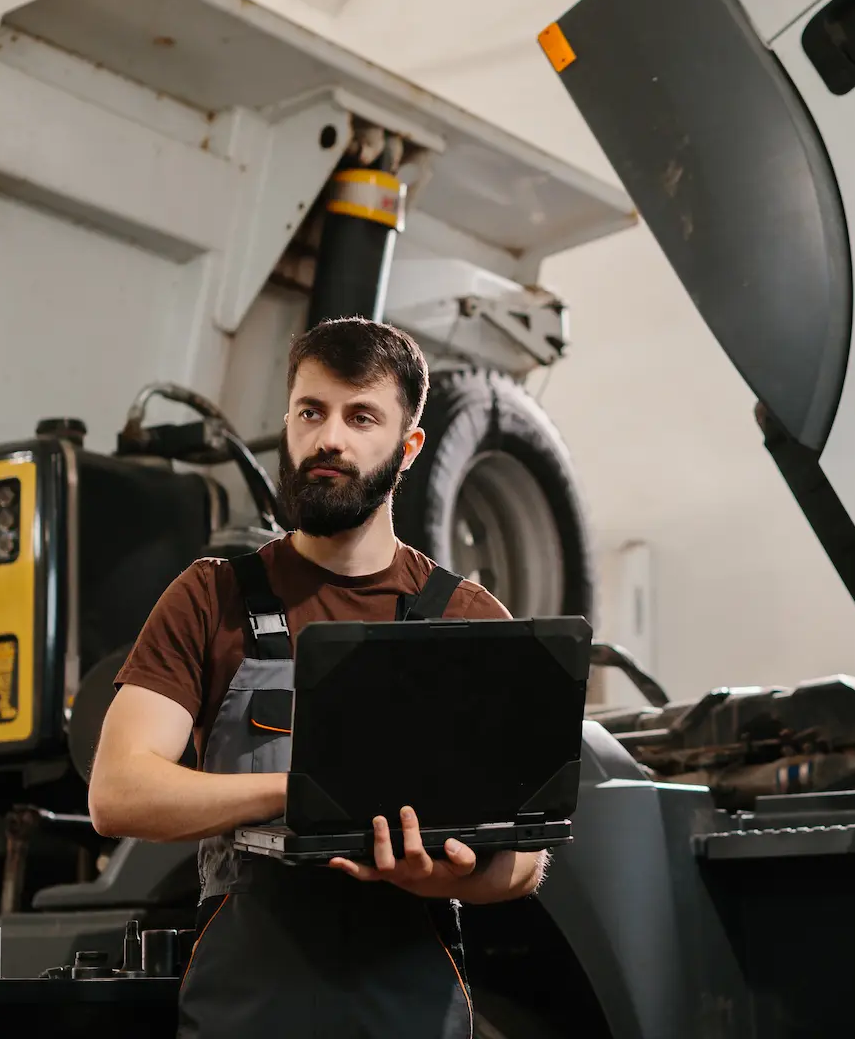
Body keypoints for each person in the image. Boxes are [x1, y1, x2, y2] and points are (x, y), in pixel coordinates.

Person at [88, 316, 545, 1038]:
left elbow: (523, 860)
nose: (329, 437)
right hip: (248, 1010)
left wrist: (439, 875)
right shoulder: (215, 597)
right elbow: (119, 793)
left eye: (361, 416)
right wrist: (303, 796)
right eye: (312, 411)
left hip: (409, 1009)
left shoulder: (468, 616)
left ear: (407, 448)